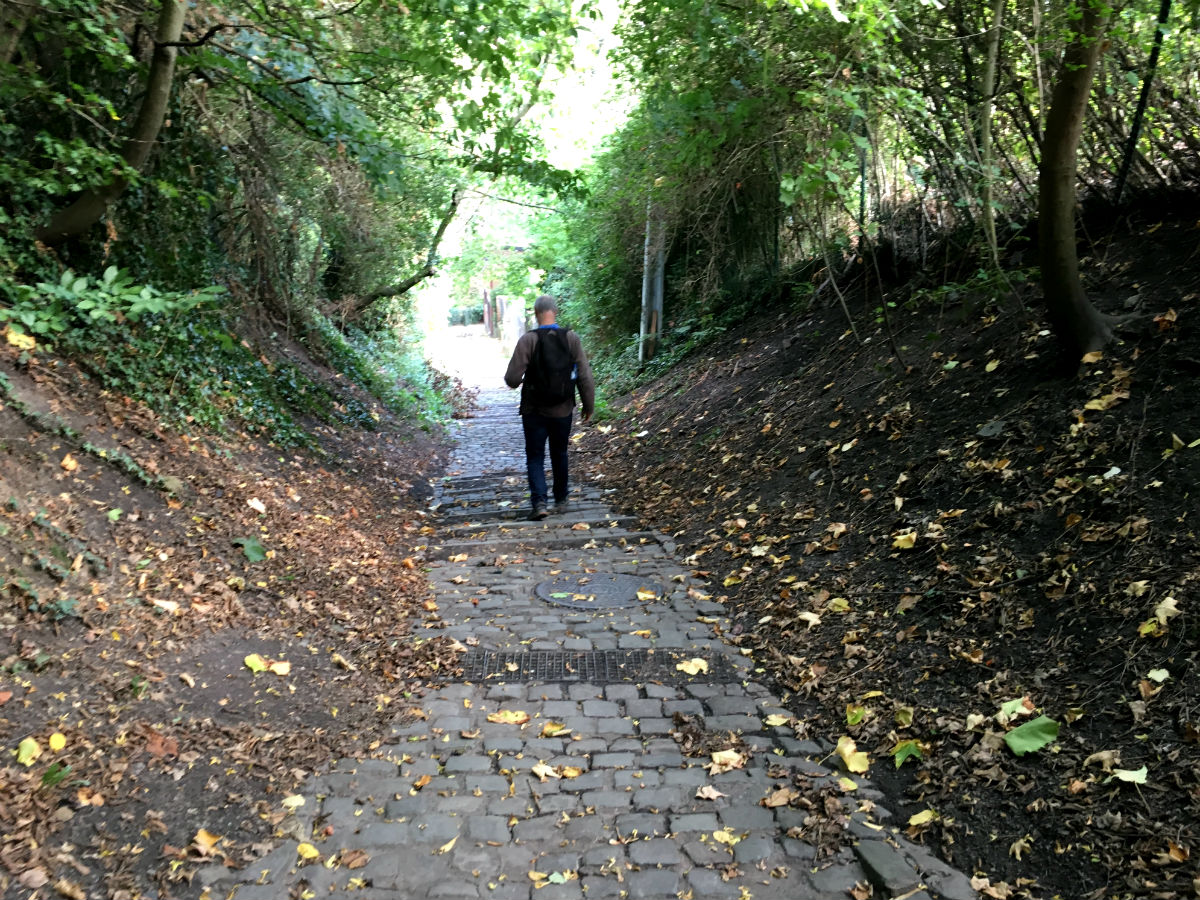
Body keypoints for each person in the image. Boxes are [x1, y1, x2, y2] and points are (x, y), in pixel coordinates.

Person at [504, 294, 595, 520]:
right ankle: (561, 499)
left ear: (536, 314)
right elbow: (584, 375)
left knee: (535, 456)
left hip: (534, 410)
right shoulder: (571, 338)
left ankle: (539, 503)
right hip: (563, 409)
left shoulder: (528, 340)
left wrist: (524, 379)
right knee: (559, 453)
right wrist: (588, 404)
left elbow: (512, 378)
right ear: (556, 311)